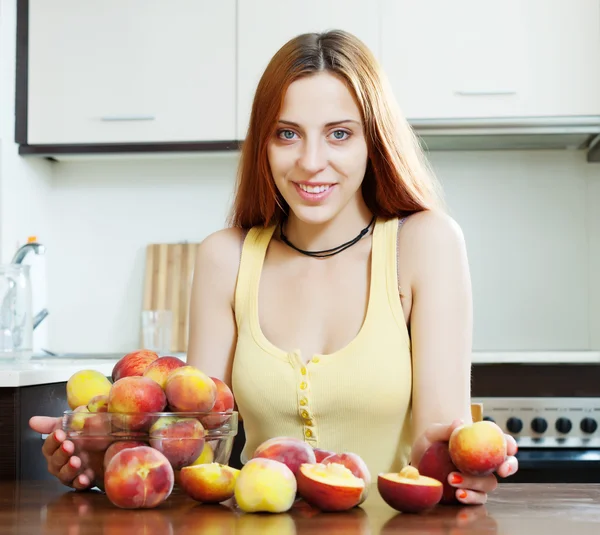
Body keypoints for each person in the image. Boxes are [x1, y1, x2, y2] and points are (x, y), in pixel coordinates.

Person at [29, 29, 518, 504]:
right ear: (262, 143)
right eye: (287, 133)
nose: (310, 161)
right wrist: (102, 461)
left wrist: (466, 469)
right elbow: (195, 446)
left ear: (373, 140)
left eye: (339, 134)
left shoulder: (425, 243)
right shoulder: (226, 257)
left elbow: (436, 444)